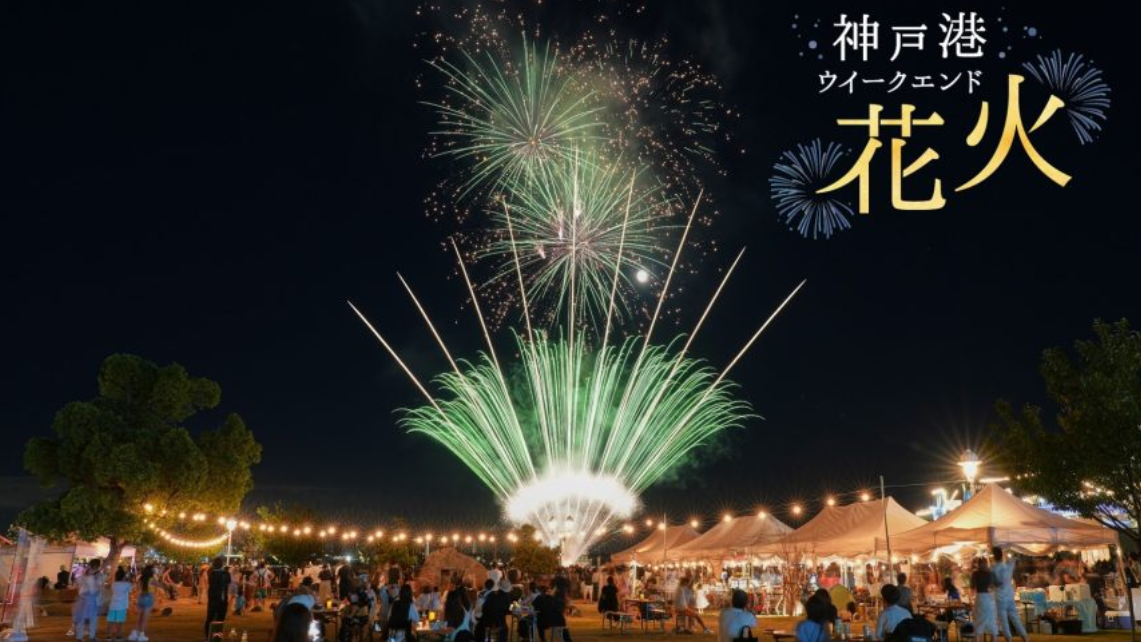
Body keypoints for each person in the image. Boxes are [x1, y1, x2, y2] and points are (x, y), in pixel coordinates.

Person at [991, 548, 1029, 642]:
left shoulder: (993, 568)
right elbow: (1015, 559)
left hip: (1000, 598)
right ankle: (1025, 638)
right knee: (1015, 618)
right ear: (1002, 555)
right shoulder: (1008, 565)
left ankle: (1009, 639)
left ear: (993, 556)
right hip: (1009, 596)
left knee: (1003, 621)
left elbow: (994, 583)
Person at [71, 558, 106, 642]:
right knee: (93, 619)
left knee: (81, 619)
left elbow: (78, 585)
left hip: (82, 599)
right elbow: (99, 588)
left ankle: (79, 637)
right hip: (93, 600)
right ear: (98, 566)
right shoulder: (99, 576)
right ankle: (91, 637)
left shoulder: (84, 574)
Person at [971, 558, 999, 642]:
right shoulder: (990, 573)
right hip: (989, 598)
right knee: (992, 622)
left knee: (978, 622)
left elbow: (972, 588)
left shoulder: (975, 573)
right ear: (987, 563)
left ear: (978, 564)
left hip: (979, 598)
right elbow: (994, 586)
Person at [205, 556, 232, 640]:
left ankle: (208, 637)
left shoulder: (211, 573)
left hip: (213, 599)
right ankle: (217, 637)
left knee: (210, 619)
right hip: (222, 599)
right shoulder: (226, 574)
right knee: (220, 619)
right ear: (222, 564)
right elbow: (228, 582)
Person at [128, 565, 156, 642]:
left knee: (139, 618)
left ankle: (134, 634)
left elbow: (136, 588)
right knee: (144, 619)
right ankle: (141, 635)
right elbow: (160, 585)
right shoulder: (152, 579)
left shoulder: (141, 579)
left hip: (140, 598)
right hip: (148, 598)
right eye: (153, 570)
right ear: (151, 571)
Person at [105, 568, 133, 642]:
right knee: (120, 622)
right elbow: (131, 590)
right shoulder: (127, 584)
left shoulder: (114, 584)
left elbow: (108, 587)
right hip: (122, 606)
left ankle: (108, 636)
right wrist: (128, 580)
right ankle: (118, 636)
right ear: (124, 576)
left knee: (111, 621)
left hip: (113, 605)